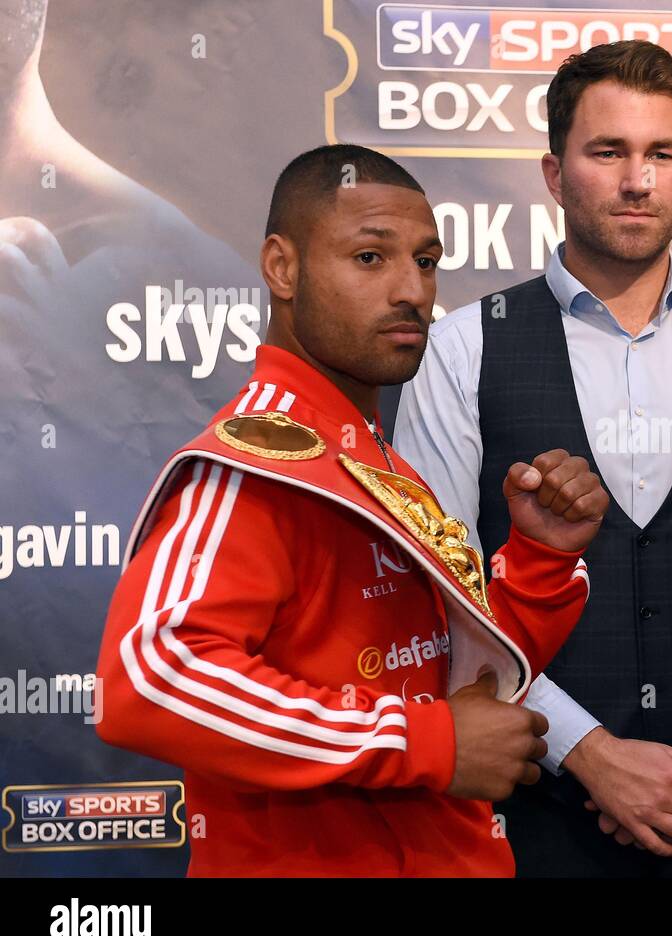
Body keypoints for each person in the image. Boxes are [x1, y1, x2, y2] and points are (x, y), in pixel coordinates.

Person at [395, 40, 672, 876]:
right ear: (553, 172)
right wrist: (593, 756)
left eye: (661, 154)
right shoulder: (462, 350)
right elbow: (442, 597)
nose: (637, 179)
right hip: (533, 825)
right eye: (608, 151)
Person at [95, 144, 610, 876]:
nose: (411, 291)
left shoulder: (370, 457)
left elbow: (458, 682)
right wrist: (424, 743)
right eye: (371, 259)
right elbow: (151, 677)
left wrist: (539, 559)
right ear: (283, 267)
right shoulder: (255, 467)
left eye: (426, 262)